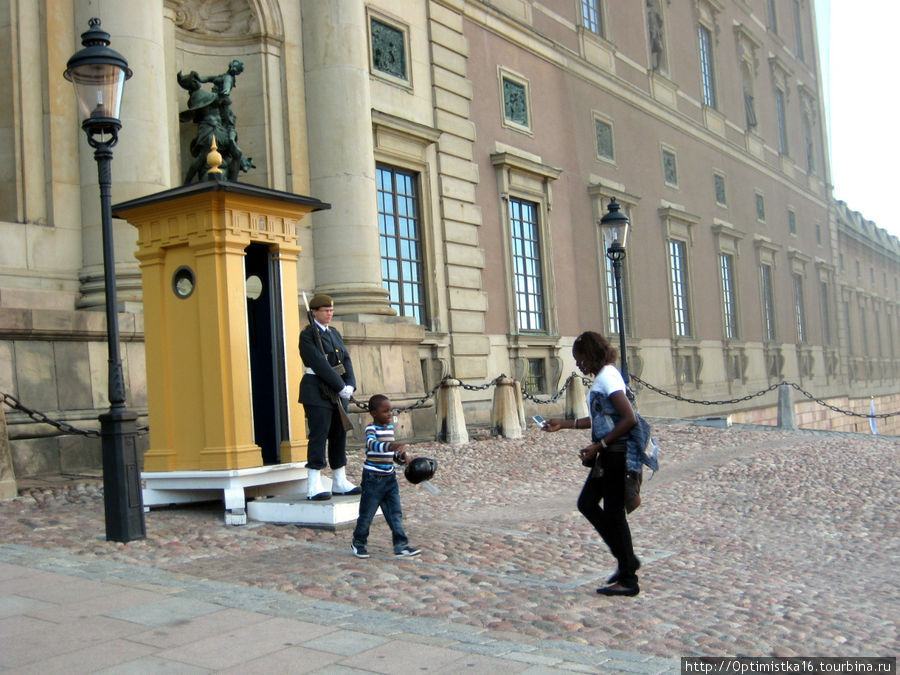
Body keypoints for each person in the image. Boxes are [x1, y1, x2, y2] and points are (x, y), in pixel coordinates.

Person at [544, 331, 641, 596]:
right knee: (587, 504)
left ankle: (629, 577)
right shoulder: (604, 377)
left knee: (613, 514)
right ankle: (626, 561)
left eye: (580, 358)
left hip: (616, 454)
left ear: (591, 354)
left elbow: (628, 418)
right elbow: (600, 419)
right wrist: (562, 424)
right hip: (609, 453)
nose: (578, 364)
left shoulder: (608, 377)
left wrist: (600, 445)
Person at [299, 294, 359, 500]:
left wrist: (350, 384)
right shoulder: (307, 335)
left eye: (331, 310)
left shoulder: (334, 333)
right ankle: (313, 484)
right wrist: (340, 385)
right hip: (316, 390)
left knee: (338, 434)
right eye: (325, 310)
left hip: (338, 391)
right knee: (319, 435)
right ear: (314, 312)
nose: (329, 314)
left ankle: (339, 480)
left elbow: (346, 359)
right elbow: (318, 363)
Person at [350, 394, 421, 559]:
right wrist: (392, 445)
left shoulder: (390, 429)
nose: (390, 414)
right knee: (367, 514)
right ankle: (358, 543)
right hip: (373, 478)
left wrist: (402, 457)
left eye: (391, 411)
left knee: (395, 513)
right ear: (374, 413)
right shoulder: (371, 429)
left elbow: (390, 453)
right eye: (385, 411)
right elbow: (372, 445)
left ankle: (401, 546)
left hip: (389, 478)